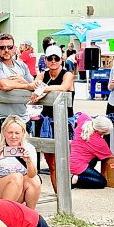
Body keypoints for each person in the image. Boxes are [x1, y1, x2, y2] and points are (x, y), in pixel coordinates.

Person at [33, 45, 75, 194]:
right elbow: (35, 85)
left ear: (61, 59)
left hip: (62, 121)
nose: (53, 61)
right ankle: (59, 195)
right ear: (45, 59)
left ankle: (65, 195)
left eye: (56, 58)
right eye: (50, 58)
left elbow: (64, 87)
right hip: (45, 122)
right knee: (52, 163)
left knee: (62, 162)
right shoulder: (42, 74)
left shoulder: (67, 74)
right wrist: (40, 88)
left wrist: (44, 89)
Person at [0, 115, 41, 209]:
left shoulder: (28, 148)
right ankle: (5, 214)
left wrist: (28, 161)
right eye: (10, 132)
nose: (13, 136)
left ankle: (30, 215)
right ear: (4, 132)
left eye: (17, 133)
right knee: (16, 177)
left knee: (34, 180)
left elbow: (32, 175)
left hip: (16, 189)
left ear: (23, 133)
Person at [0, 33, 37, 133]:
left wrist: (22, 81)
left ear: (14, 48)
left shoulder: (21, 65)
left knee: (25, 147)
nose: (6, 50)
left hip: (23, 116)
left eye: (9, 47)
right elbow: (4, 85)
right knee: (12, 146)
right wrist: (26, 85)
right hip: (3, 117)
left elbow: (34, 86)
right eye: (2, 47)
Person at [70, 114, 113, 189]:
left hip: (71, 159)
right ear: (99, 130)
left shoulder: (84, 122)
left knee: (94, 156)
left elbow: (81, 115)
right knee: (101, 182)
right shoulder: (99, 141)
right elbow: (110, 156)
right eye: (104, 133)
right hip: (79, 166)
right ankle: (77, 179)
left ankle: (78, 176)